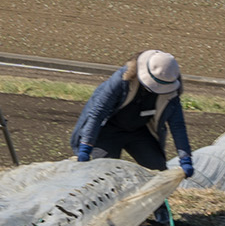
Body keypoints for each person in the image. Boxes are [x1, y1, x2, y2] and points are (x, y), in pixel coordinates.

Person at [70, 50, 195, 179]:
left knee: (158, 172)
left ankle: (158, 200)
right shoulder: (122, 79)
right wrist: (86, 146)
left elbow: (177, 125)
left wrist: (185, 159)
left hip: (139, 132)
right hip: (107, 131)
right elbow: (98, 112)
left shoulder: (171, 93)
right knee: (105, 174)